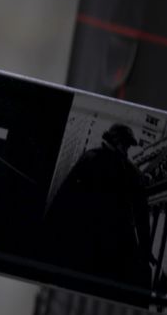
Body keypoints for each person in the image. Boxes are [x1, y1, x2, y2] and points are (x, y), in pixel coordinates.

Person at [44, 124, 153, 291]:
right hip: (97, 244)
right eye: (125, 145)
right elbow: (66, 196)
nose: (126, 150)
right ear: (116, 141)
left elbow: (141, 211)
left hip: (97, 245)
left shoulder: (104, 161)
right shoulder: (117, 166)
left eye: (128, 146)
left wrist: (145, 248)